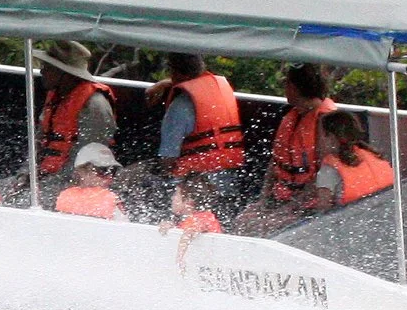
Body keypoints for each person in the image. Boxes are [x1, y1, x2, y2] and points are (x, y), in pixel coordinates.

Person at [232, 109, 393, 235]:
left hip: (348, 227)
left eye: (320, 136)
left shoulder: (329, 170)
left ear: (330, 137)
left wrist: (283, 215)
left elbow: (322, 215)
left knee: (252, 222)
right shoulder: (375, 156)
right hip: (379, 221)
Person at [147, 52, 247, 200]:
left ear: (173, 71)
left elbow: (167, 160)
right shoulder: (220, 89)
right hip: (228, 184)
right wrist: (166, 83)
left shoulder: (179, 106)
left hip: (194, 188)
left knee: (132, 177)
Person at [32, 41, 117, 198]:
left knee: (23, 199)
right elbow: (38, 142)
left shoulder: (94, 104)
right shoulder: (56, 96)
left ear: (65, 74)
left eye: (48, 67)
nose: (42, 71)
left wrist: (42, 186)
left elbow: (86, 163)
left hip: (74, 183)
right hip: (44, 177)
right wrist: (25, 174)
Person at [263, 64, 338, 211]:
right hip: (283, 199)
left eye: (286, 83)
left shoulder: (325, 121)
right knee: (244, 219)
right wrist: (263, 201)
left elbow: (326, 174)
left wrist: (290, 208)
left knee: (256, 223)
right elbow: (275, 164)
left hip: (308, 204)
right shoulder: (295, 116)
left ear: (293, 88)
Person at [51, 142, 127, 220]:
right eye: (103, 170)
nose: (109, 176)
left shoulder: (115, 199)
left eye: (113, 171)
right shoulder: (111, 201)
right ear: (82, 171)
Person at [157, 179, 223, 268]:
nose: (172, 198)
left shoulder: (204, 217)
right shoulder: (193, 218)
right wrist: (172, 228)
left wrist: (179, 260)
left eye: (176, 194)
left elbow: (190, 232)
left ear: (188, 200)